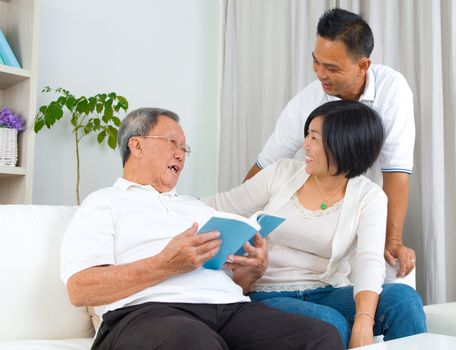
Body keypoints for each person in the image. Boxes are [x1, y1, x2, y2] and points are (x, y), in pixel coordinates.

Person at [60, 107, 342, 350]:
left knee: (319, 337)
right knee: (193, 341)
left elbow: (234, 285)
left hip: (231, 310)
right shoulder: (104, 202)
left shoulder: (197, 208)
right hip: (147, 313)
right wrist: (164, 265)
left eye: (184, 149)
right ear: (136, 145)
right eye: (172, 143)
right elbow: (80, 289)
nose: (180, 155)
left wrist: (250, 272)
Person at [205, 101, 427, 349]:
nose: (305, 145)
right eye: (307, 135)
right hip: (268, 293)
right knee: (329, 323)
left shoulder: (369, 196)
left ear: (344, 145)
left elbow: (368, 260)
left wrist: (364, 322)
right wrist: (163, 200)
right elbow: (219, 204)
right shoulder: (281, 173)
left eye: (315, 138)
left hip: (327, 292)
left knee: (403, 299)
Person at [244, 8, 416, 278]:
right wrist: (240, 227)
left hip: (364, 215)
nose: (320, 74)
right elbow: (265, 165)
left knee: (394, 285)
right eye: (316, 62)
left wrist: (392, 240)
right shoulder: (306, 102)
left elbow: (396, 171)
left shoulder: (392, 89)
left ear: (363, 65)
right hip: (314, 221)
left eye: (332, 68)